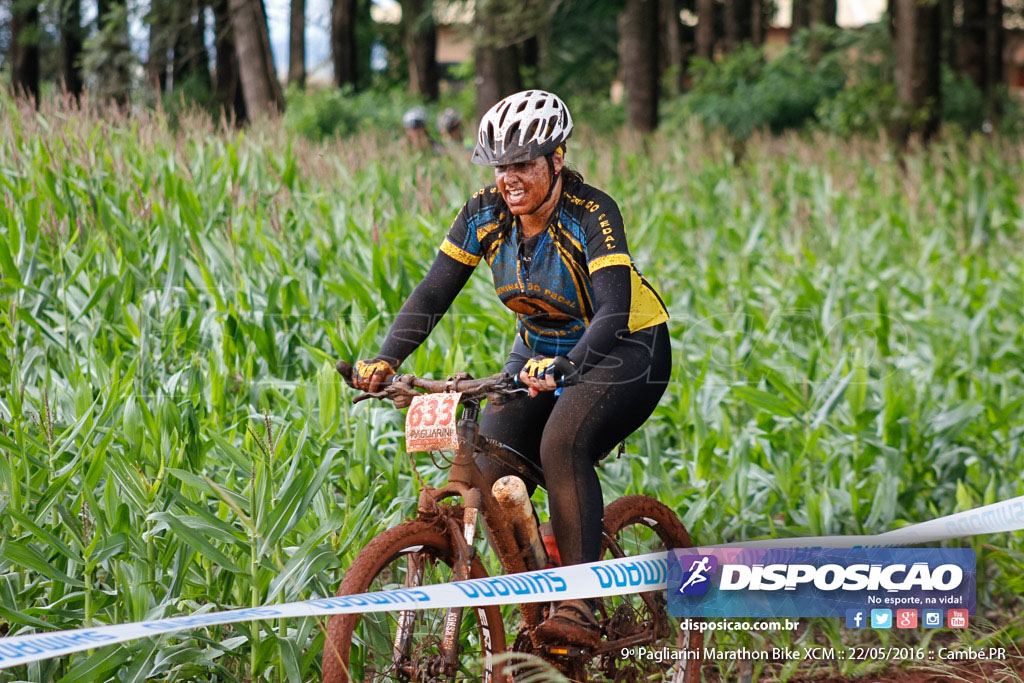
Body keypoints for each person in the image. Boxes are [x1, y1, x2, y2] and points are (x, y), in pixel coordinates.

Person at [351, 90, 671, 646]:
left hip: (625, 348)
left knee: (560, 442)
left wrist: (569, 366)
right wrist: (386, 358)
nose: (510, 178)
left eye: (523, 163)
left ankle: (580, 601)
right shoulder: (483, 213)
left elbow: (615, 309)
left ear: (558, 159)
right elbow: (434, 291)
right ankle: (537, 587)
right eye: (501, 166)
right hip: (539, 349)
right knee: (486, 462)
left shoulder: (591, 212)